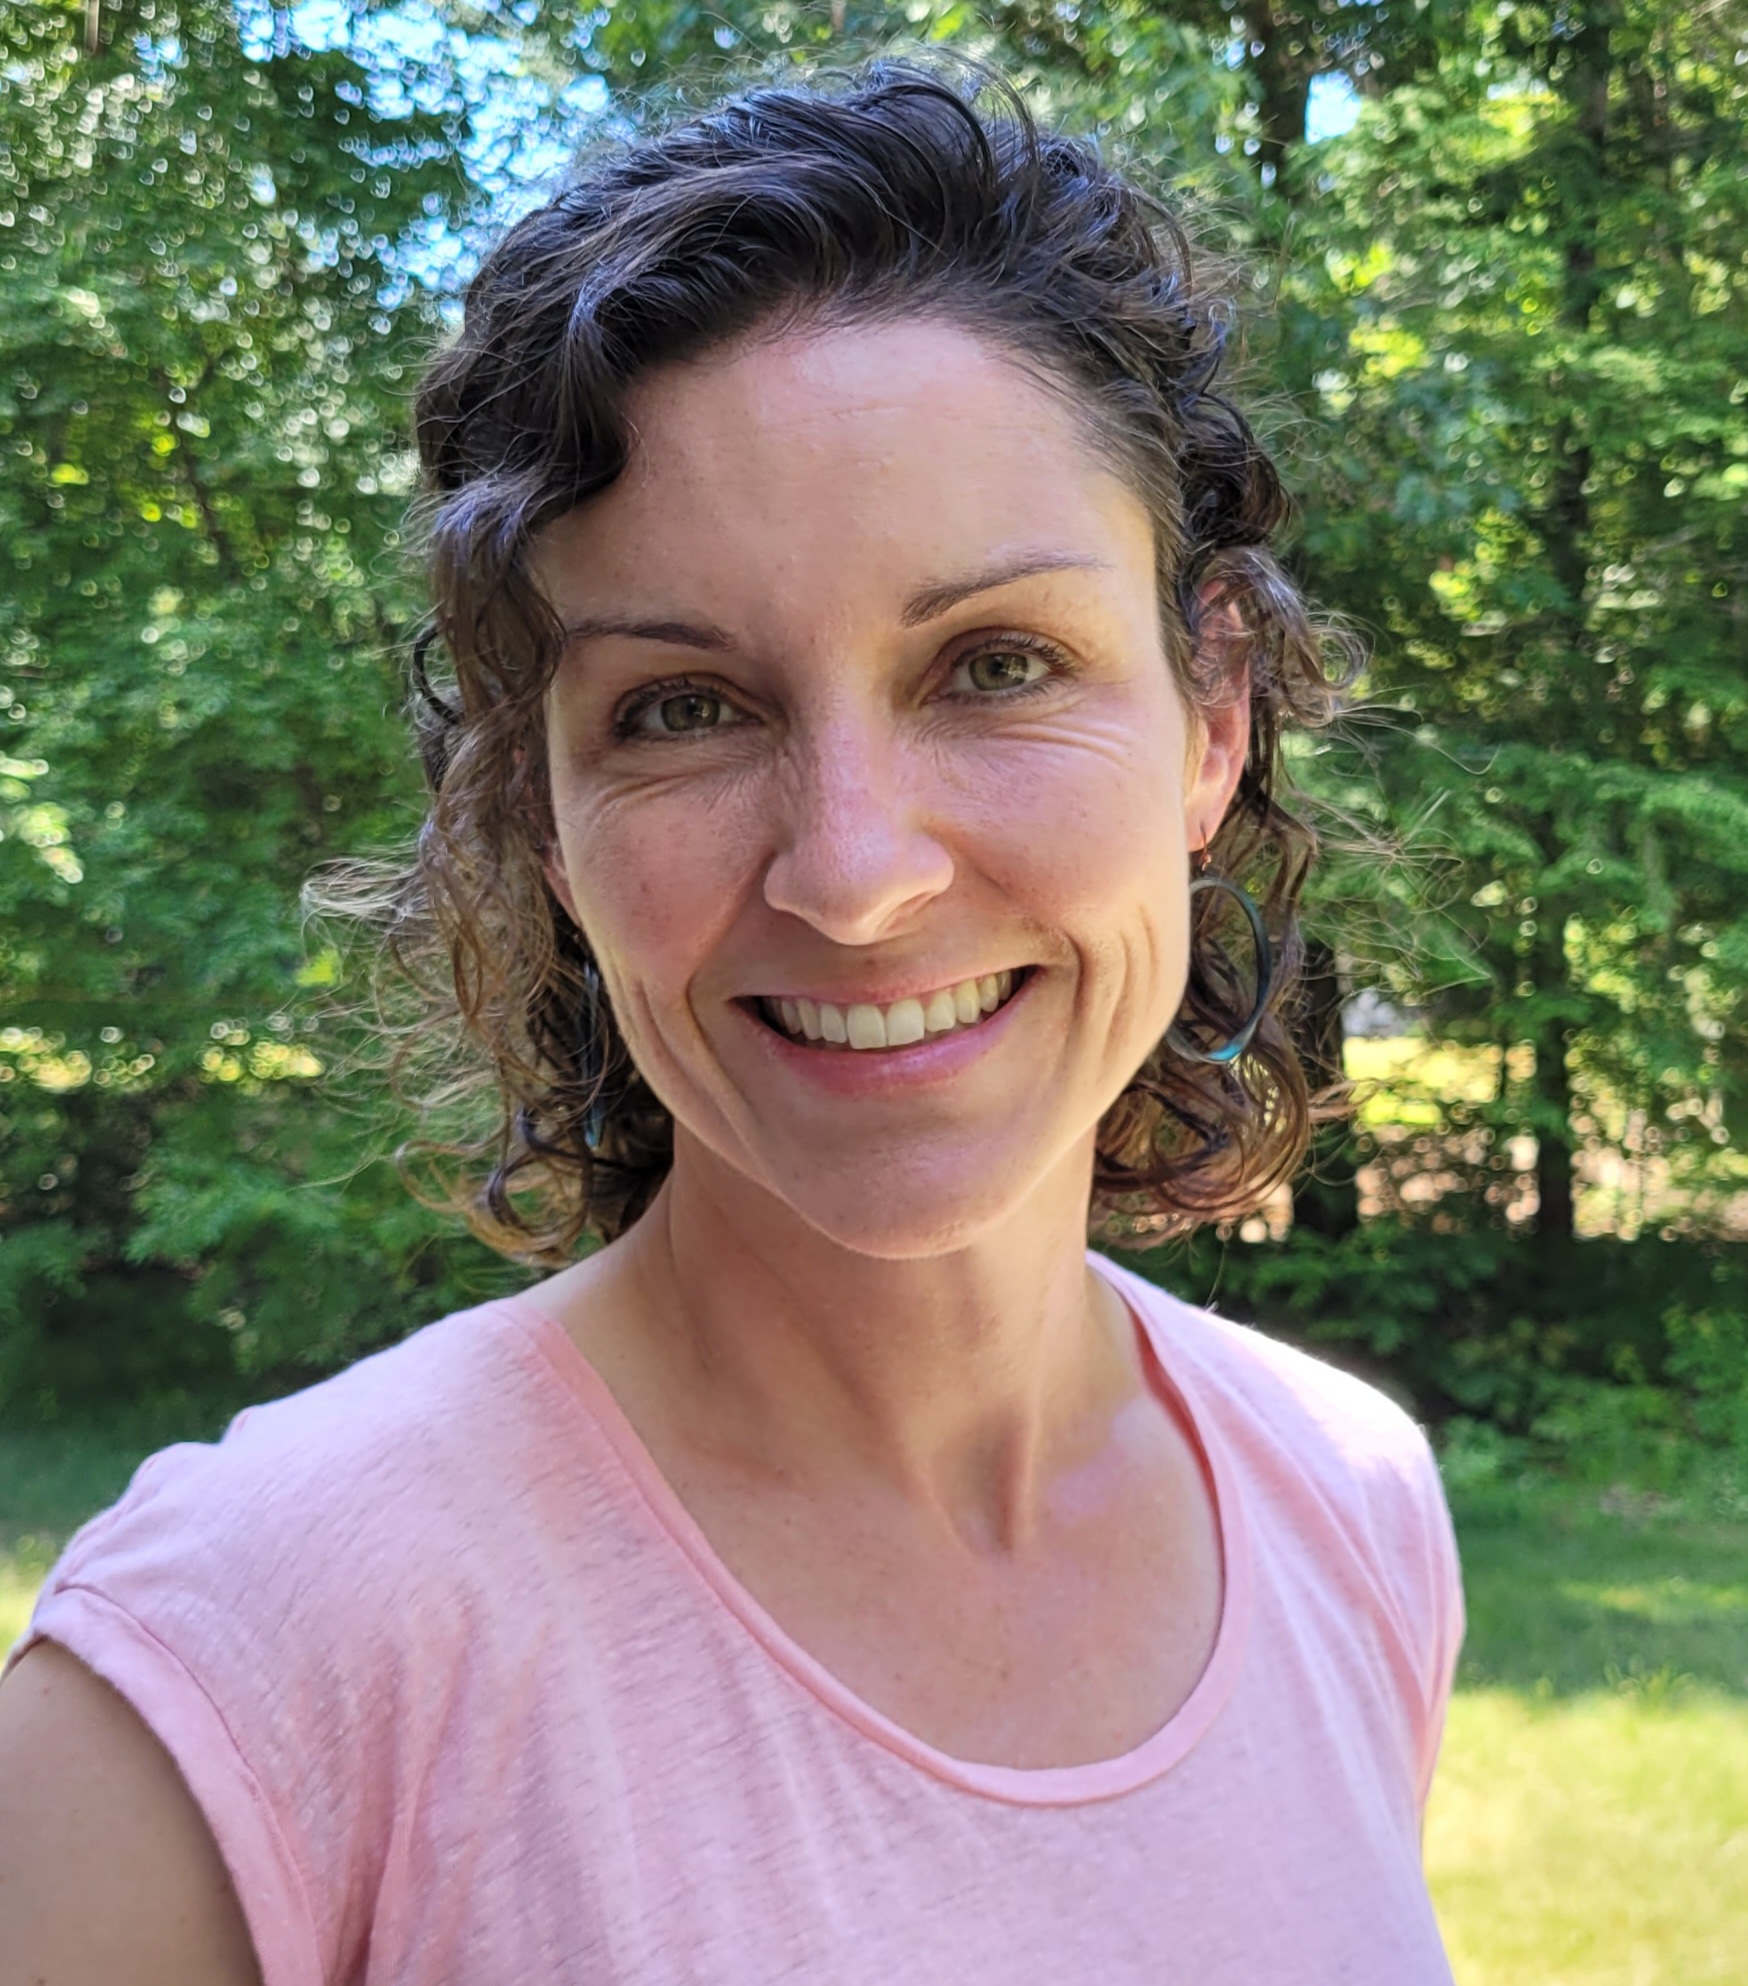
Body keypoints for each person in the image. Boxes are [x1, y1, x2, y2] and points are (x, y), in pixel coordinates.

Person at [0, 62, 1464, 1986]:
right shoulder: (234, 1680)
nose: (853, 874)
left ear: (1211, 716)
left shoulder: (1347, 1508)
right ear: (542, 816)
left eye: (997, 665)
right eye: (684, 706)